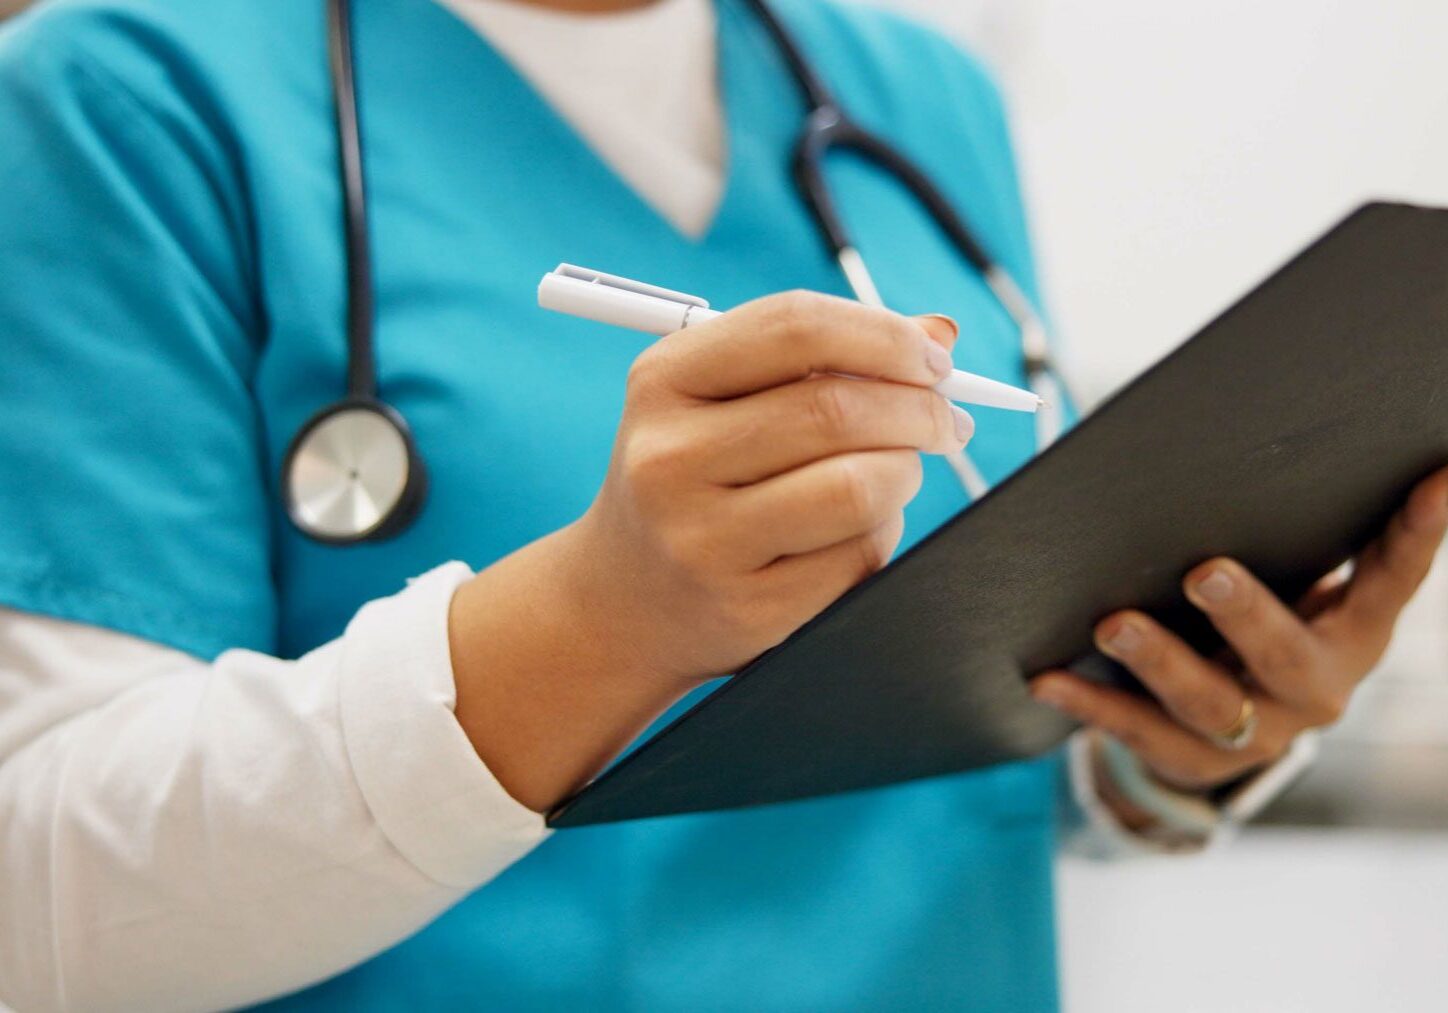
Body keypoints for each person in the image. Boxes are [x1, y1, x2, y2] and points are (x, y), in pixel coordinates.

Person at [0, 0, 1443, 1009]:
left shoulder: (917, 96)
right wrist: (604, 619)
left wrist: (1178, 738)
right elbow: (38, 901)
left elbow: (962, 755)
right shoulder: (125, 91)